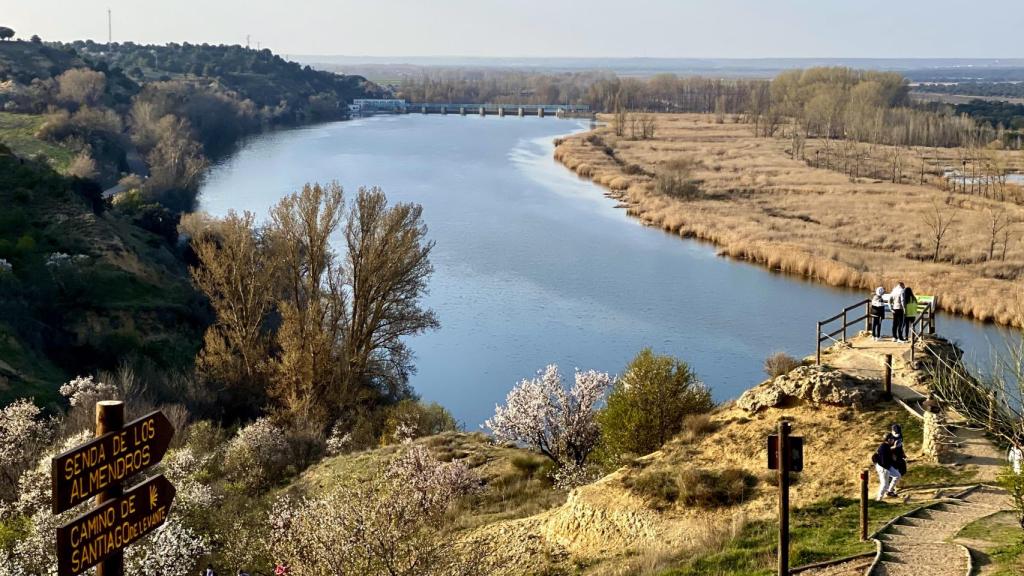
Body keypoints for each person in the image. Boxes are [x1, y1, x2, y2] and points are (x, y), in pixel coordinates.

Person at [872, 433, 901, 500]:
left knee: (897, 475)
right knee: (884, 484)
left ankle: (889, 491)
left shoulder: (886, 446)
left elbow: (888, 456)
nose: (893, 440)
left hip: (886, 465)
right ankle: (879, 500)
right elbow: (883, 462)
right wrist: (892, 459)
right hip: (882, 467)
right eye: (892, 439)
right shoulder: (883, 448)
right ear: (888, 440)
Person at [891, 423, 907, 492]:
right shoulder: (891, 438)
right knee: (893, 471)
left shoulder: (900, 435)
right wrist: (892, 454)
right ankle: (891, 487)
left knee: (903, 469)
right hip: (893, 456)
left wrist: (903, 453)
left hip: (899, 455)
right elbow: (887, 448)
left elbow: (900, 446)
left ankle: (897, 484)